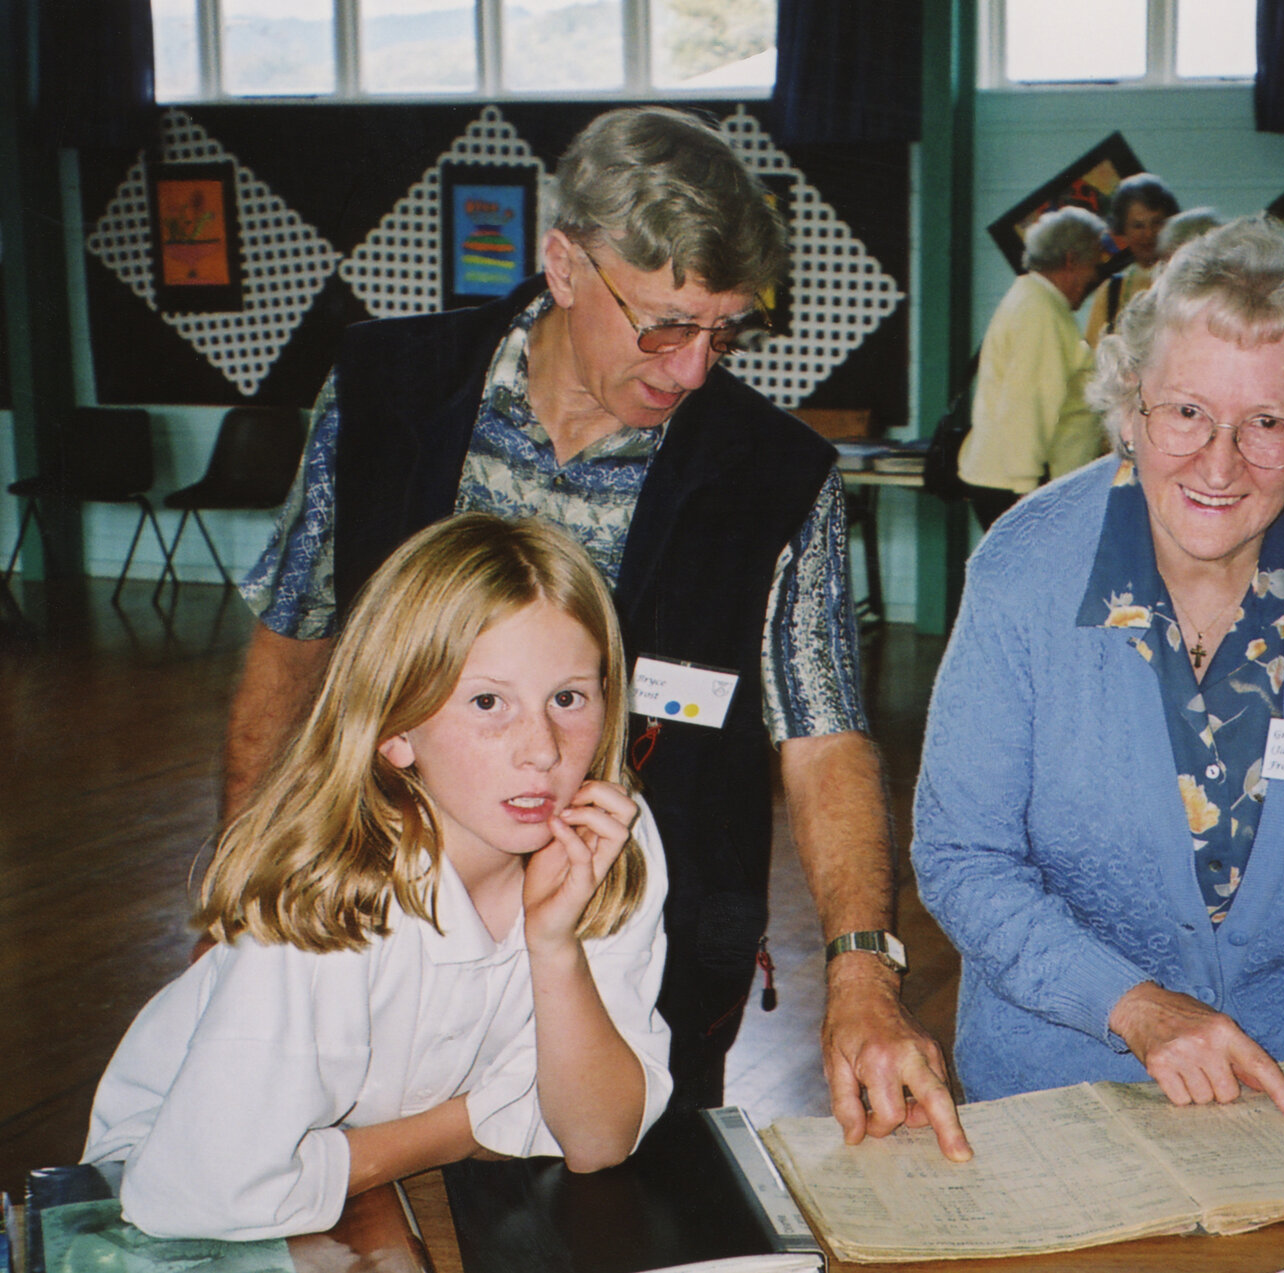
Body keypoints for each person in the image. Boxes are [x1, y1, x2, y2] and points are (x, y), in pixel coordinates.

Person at [228, 106, 970, 1160]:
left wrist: (861, 970)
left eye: (724, 331)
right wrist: (246, 883)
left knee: (619, 1207)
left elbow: (826, 735)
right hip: (377, 921)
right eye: (664, 323)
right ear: (564, 264)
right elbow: (294, 636)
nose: (692, 370)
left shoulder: (775, 472)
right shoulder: (390, 389)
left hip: (646, 952)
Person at [914, 217, 1284, 1111]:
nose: (1218, 463)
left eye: (1266, 421)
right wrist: (1139, 1009)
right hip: (1064, 1078)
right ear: (1128, 405)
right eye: (1186, 412)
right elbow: (964, 855)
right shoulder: (1025, 569)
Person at [86, 515, 670, 1239]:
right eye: (488, 702)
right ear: (396, 729)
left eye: (569, 697)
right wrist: (471, 1122)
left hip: (357, 1178)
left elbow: (596, 1137)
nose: (542, 751)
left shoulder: (610, 839)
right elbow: (198, 1192)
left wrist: (555, 945)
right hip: (158, 1197)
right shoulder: (333, 888)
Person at [957, 206, 1109, 530]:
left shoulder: (1034, 299)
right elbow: (1028, 405)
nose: (1096, 277)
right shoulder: (1040, 312)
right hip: (1023, 487)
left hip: (1017, 481)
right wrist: (1029, 496)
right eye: (1094, 263)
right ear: (1071, 261)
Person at [1083, 172, 1179, 347]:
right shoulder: (1111, 292)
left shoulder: (1186, 281)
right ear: (1123, 232)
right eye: (1138, 226)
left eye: (1157, 222)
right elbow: (1093, 360)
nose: (1148, 234)